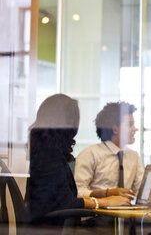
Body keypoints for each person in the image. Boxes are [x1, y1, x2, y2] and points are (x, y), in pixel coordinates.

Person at [27, 94, 130, 226]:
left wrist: (104, 198)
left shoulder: (47, 152)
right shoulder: (49, 156)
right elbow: (66, 203)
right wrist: (103, 202)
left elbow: (64, 197)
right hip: (50, 227)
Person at [74, 101, 144, 200]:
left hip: (125, 213)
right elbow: (78, 191)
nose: (135, 129)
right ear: (115, 129)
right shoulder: (90, 154)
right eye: (130, 125)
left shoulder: (133, 156)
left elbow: (140, 190)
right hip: (98, 213)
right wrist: (106, 194)